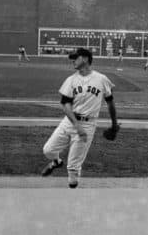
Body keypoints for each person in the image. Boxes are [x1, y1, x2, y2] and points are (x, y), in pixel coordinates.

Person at [41, 47, 118, 188]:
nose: (73, 61)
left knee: (73, 171)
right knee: (48, 150)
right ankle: (57, 162)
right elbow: (65, 105)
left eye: (76, 58)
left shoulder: (101, 79)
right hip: (70, 122)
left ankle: (73, 198)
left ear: (86, 59)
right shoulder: (71, 80)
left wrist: (114, 124)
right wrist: (76, 125)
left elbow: (110, 103)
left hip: (88, 125)